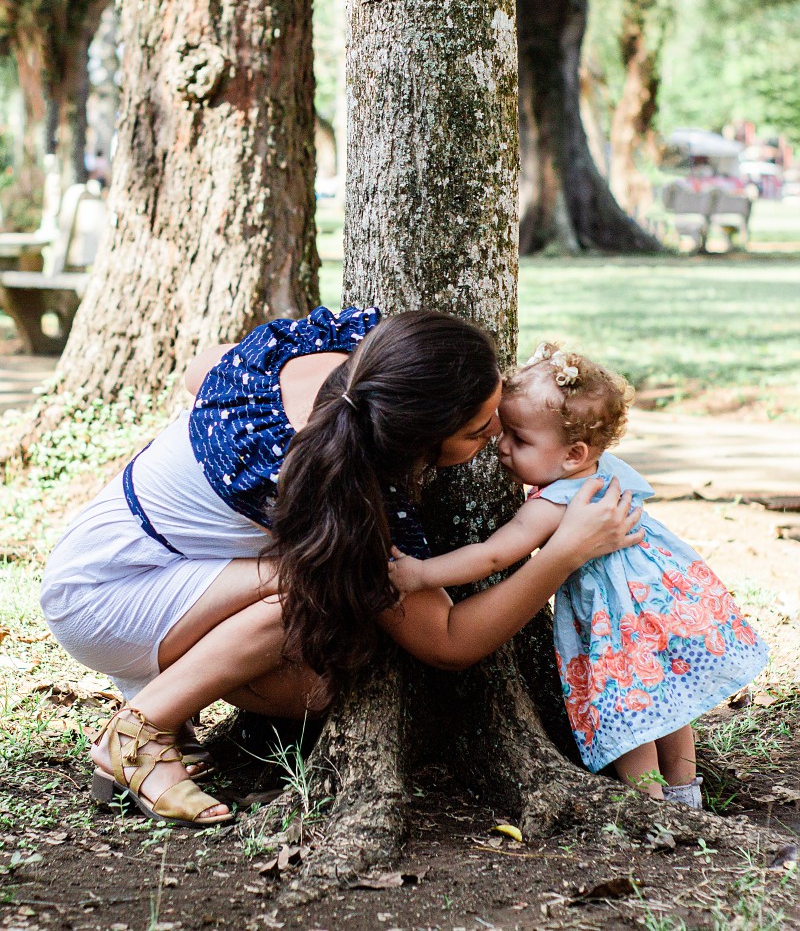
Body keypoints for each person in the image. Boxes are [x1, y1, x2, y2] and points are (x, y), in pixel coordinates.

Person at [41, 308, 643, 828]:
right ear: (417, 443)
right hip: (104, 596)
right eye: (479, 429)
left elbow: (200, 368)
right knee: (320, 600)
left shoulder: (354, 357)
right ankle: (141, 730)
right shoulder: (348, 496)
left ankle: (165, 692)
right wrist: (563, 554)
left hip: (108, 547)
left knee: (324, 680)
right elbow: (448, 643)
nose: (496, 434)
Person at [389, 342, 769, 808]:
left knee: (628, 712)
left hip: (616, 619)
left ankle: (648, 804)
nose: (500, 446)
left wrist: (421, 573)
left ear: (573, 454)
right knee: (668, 703)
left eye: (519, 439)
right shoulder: (605, 470)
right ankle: (685, 794)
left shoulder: (555, 502)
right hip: (660, 603)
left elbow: (491, 556)